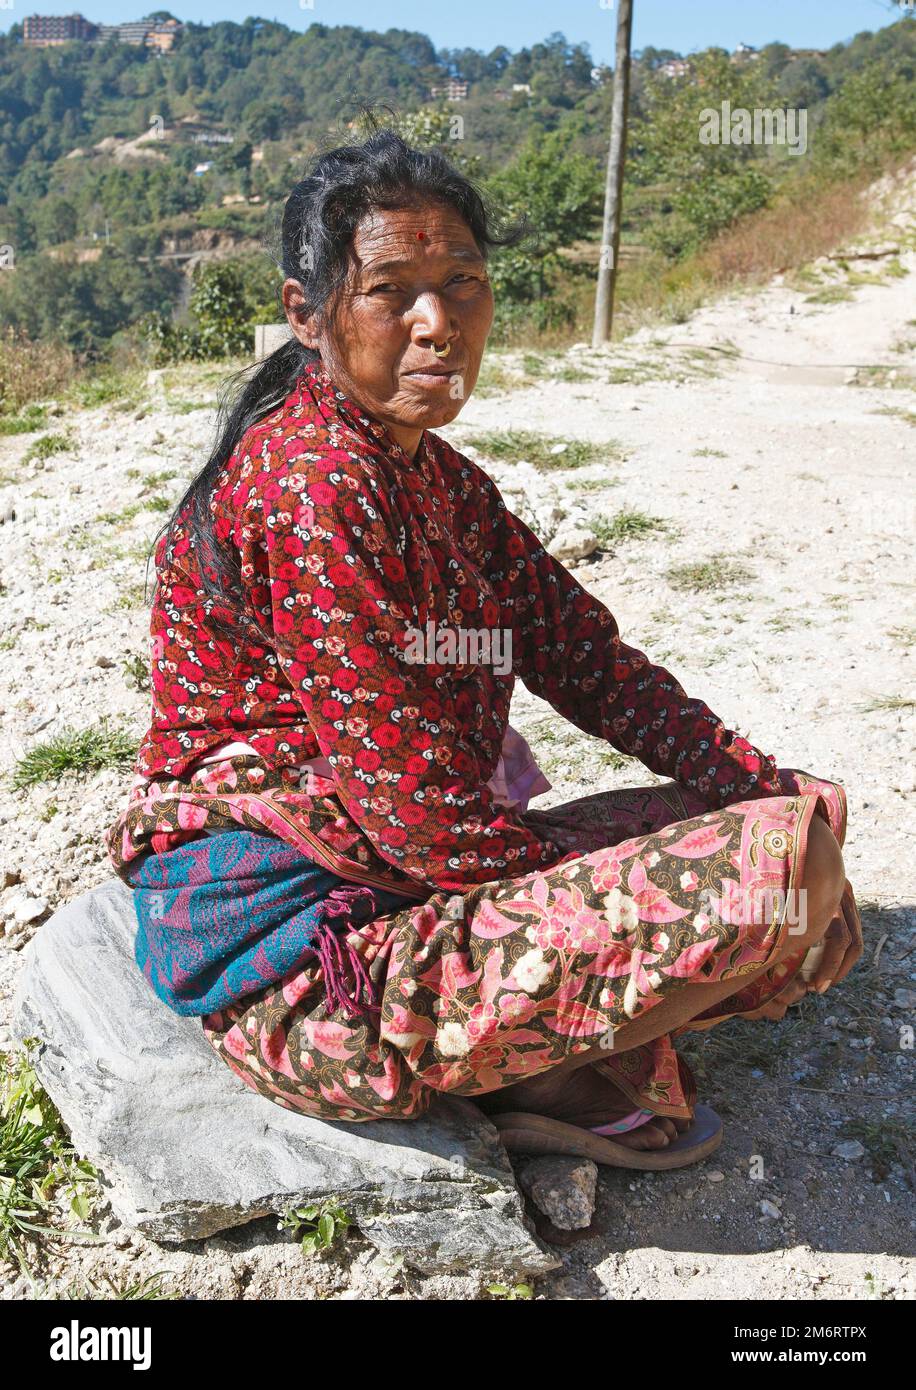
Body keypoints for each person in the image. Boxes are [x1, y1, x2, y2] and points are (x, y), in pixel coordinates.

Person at [105, 128, 861, 1169]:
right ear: (305, 313)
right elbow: (417, 813)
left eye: (462, 284)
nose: (437, 326)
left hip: (405, 885)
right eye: (391, 292)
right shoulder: (315, 483)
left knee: (772, 836)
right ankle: (530, 1065)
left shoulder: (434, 476)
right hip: (313, 972)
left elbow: (586, 660)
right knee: (775, 876)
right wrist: (631, 902)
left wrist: (773, 787)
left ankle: (548, 1029)